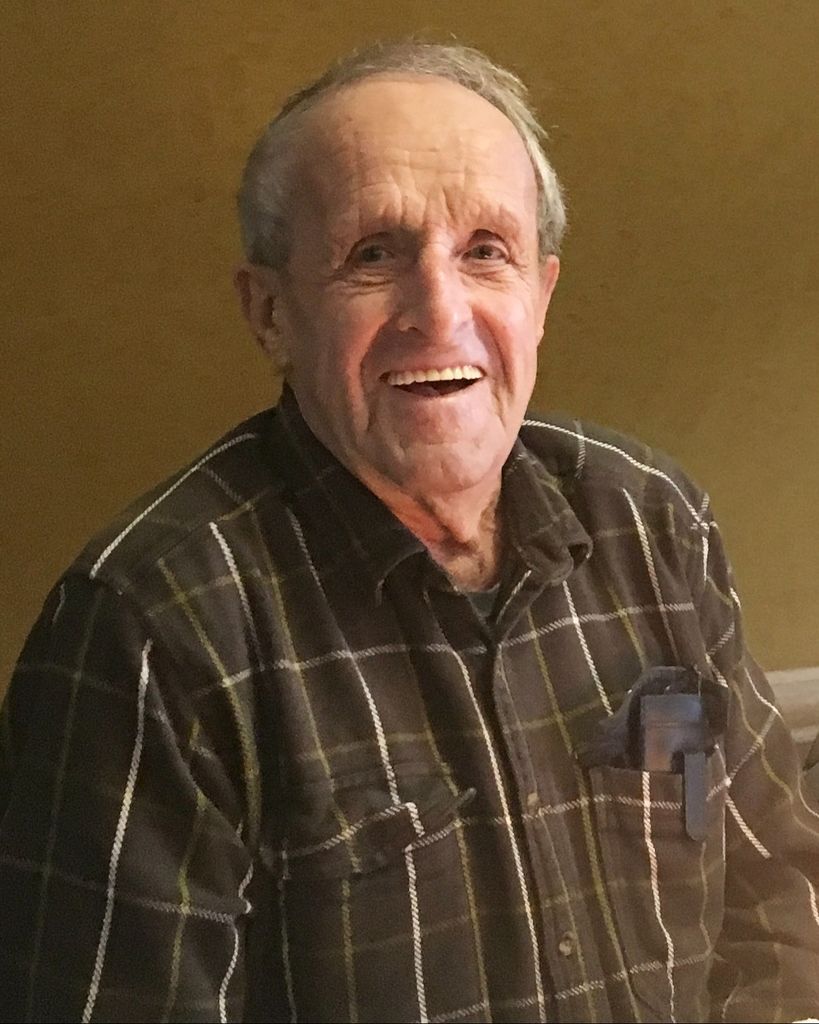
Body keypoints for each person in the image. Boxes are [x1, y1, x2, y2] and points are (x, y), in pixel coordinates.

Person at [1, 40, 818, 1024]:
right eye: (373, 255)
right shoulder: (148, 630)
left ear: (541, 295)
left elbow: (773, 890)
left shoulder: (652, 520)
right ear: (270, 313)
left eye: (486, 251)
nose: (440, 311)